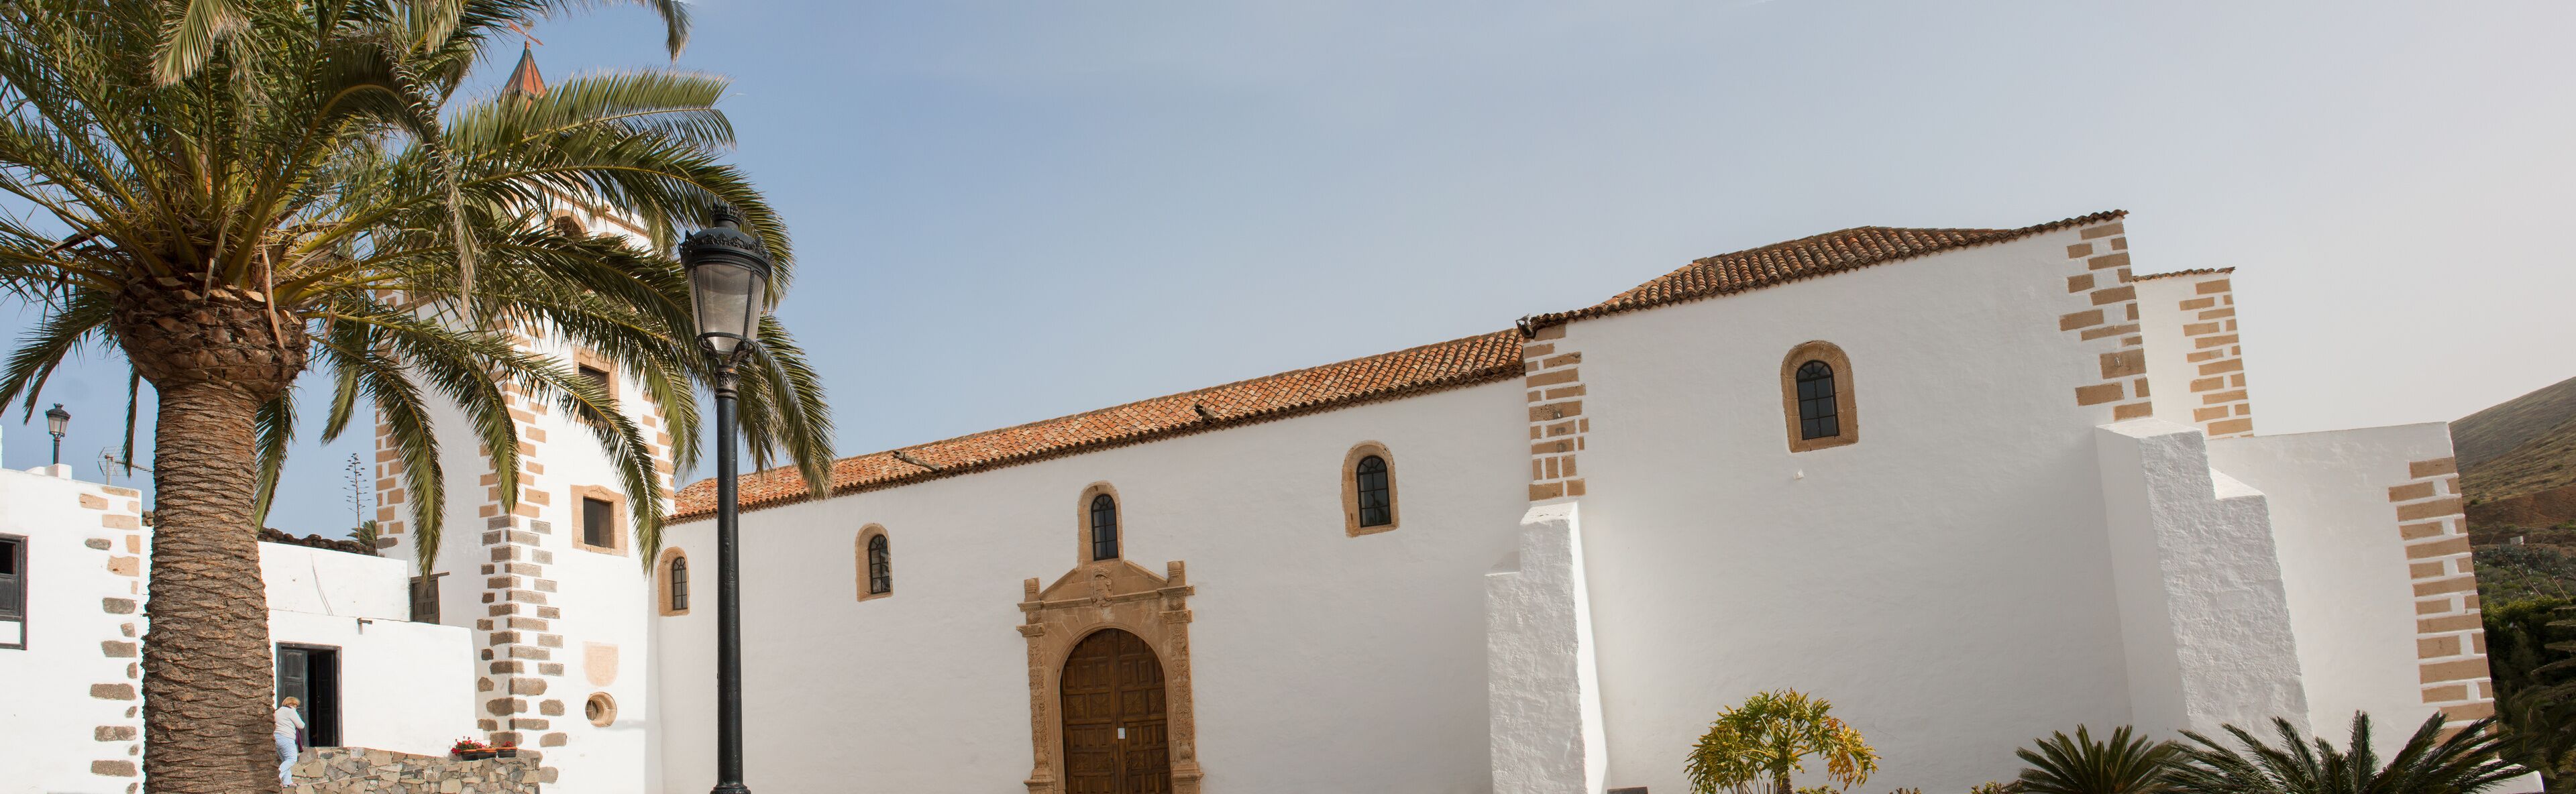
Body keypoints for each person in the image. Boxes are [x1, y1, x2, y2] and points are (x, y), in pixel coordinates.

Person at [274, 696, 305, 787]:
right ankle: (277, 776)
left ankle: (287, 782)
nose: (297, 707)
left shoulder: (278, 711)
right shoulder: (291, 711)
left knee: (285, 760)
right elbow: (301, 725)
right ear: (293, 704)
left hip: (276, 738)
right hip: (287, 738)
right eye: (297, 706)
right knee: (292, 759)